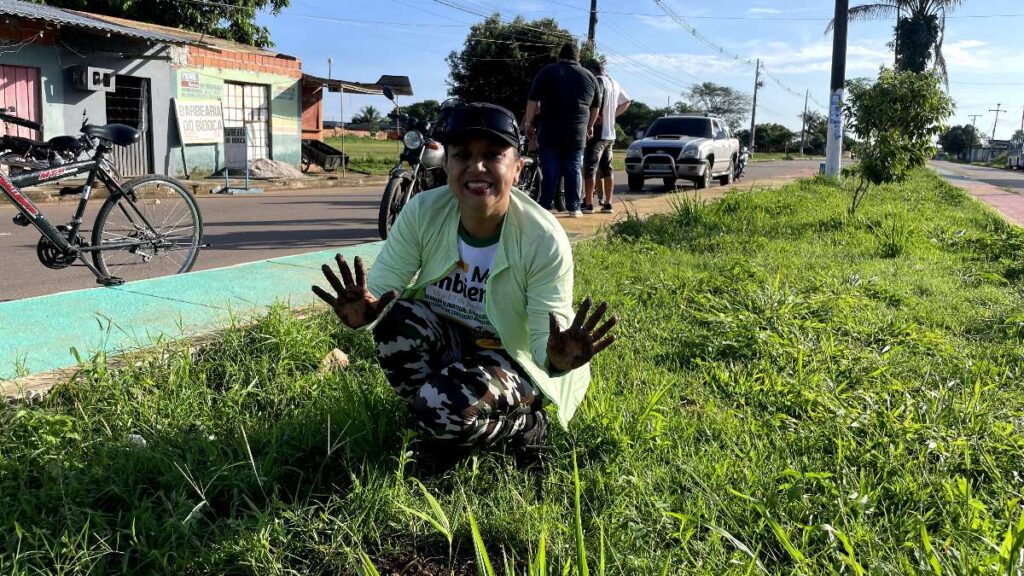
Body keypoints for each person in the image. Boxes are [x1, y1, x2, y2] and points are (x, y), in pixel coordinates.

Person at [312, 102, 617, 463]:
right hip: (453, 339)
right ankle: (443, 425)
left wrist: (554, 357)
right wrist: (366, 311)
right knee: (397, 322)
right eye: (462, 155)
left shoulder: (542, 238)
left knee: (441, 406)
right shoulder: (423, 212)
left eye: (493, 155)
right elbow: (383, 292)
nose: (477, 167)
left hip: (512, 357)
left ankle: (526, 425)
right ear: (447, 165)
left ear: (517, 168)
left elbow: (545, 332)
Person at [523, 42, 601, 218]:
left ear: (560, 56)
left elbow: (533, 100)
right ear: (578, 57)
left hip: (550, 129)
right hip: (577, 131)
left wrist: (528, 123)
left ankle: (544, 206)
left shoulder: (547, 72)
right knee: (573, 166)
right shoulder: (590, 77)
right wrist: (589, 127)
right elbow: (595, 107)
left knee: (551, 168)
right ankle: (574, 207)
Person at [582, 60, 631, 214]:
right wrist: (612, 115)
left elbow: (596, 101)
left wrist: (596, 115)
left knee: (590, 168)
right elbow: (627, 101)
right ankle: (608, 203)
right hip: (610, 133)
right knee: (607, 169)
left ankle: (588, 203)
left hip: (597, 132)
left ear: (591, 70)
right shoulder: (614, 82)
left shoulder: (597, 82)